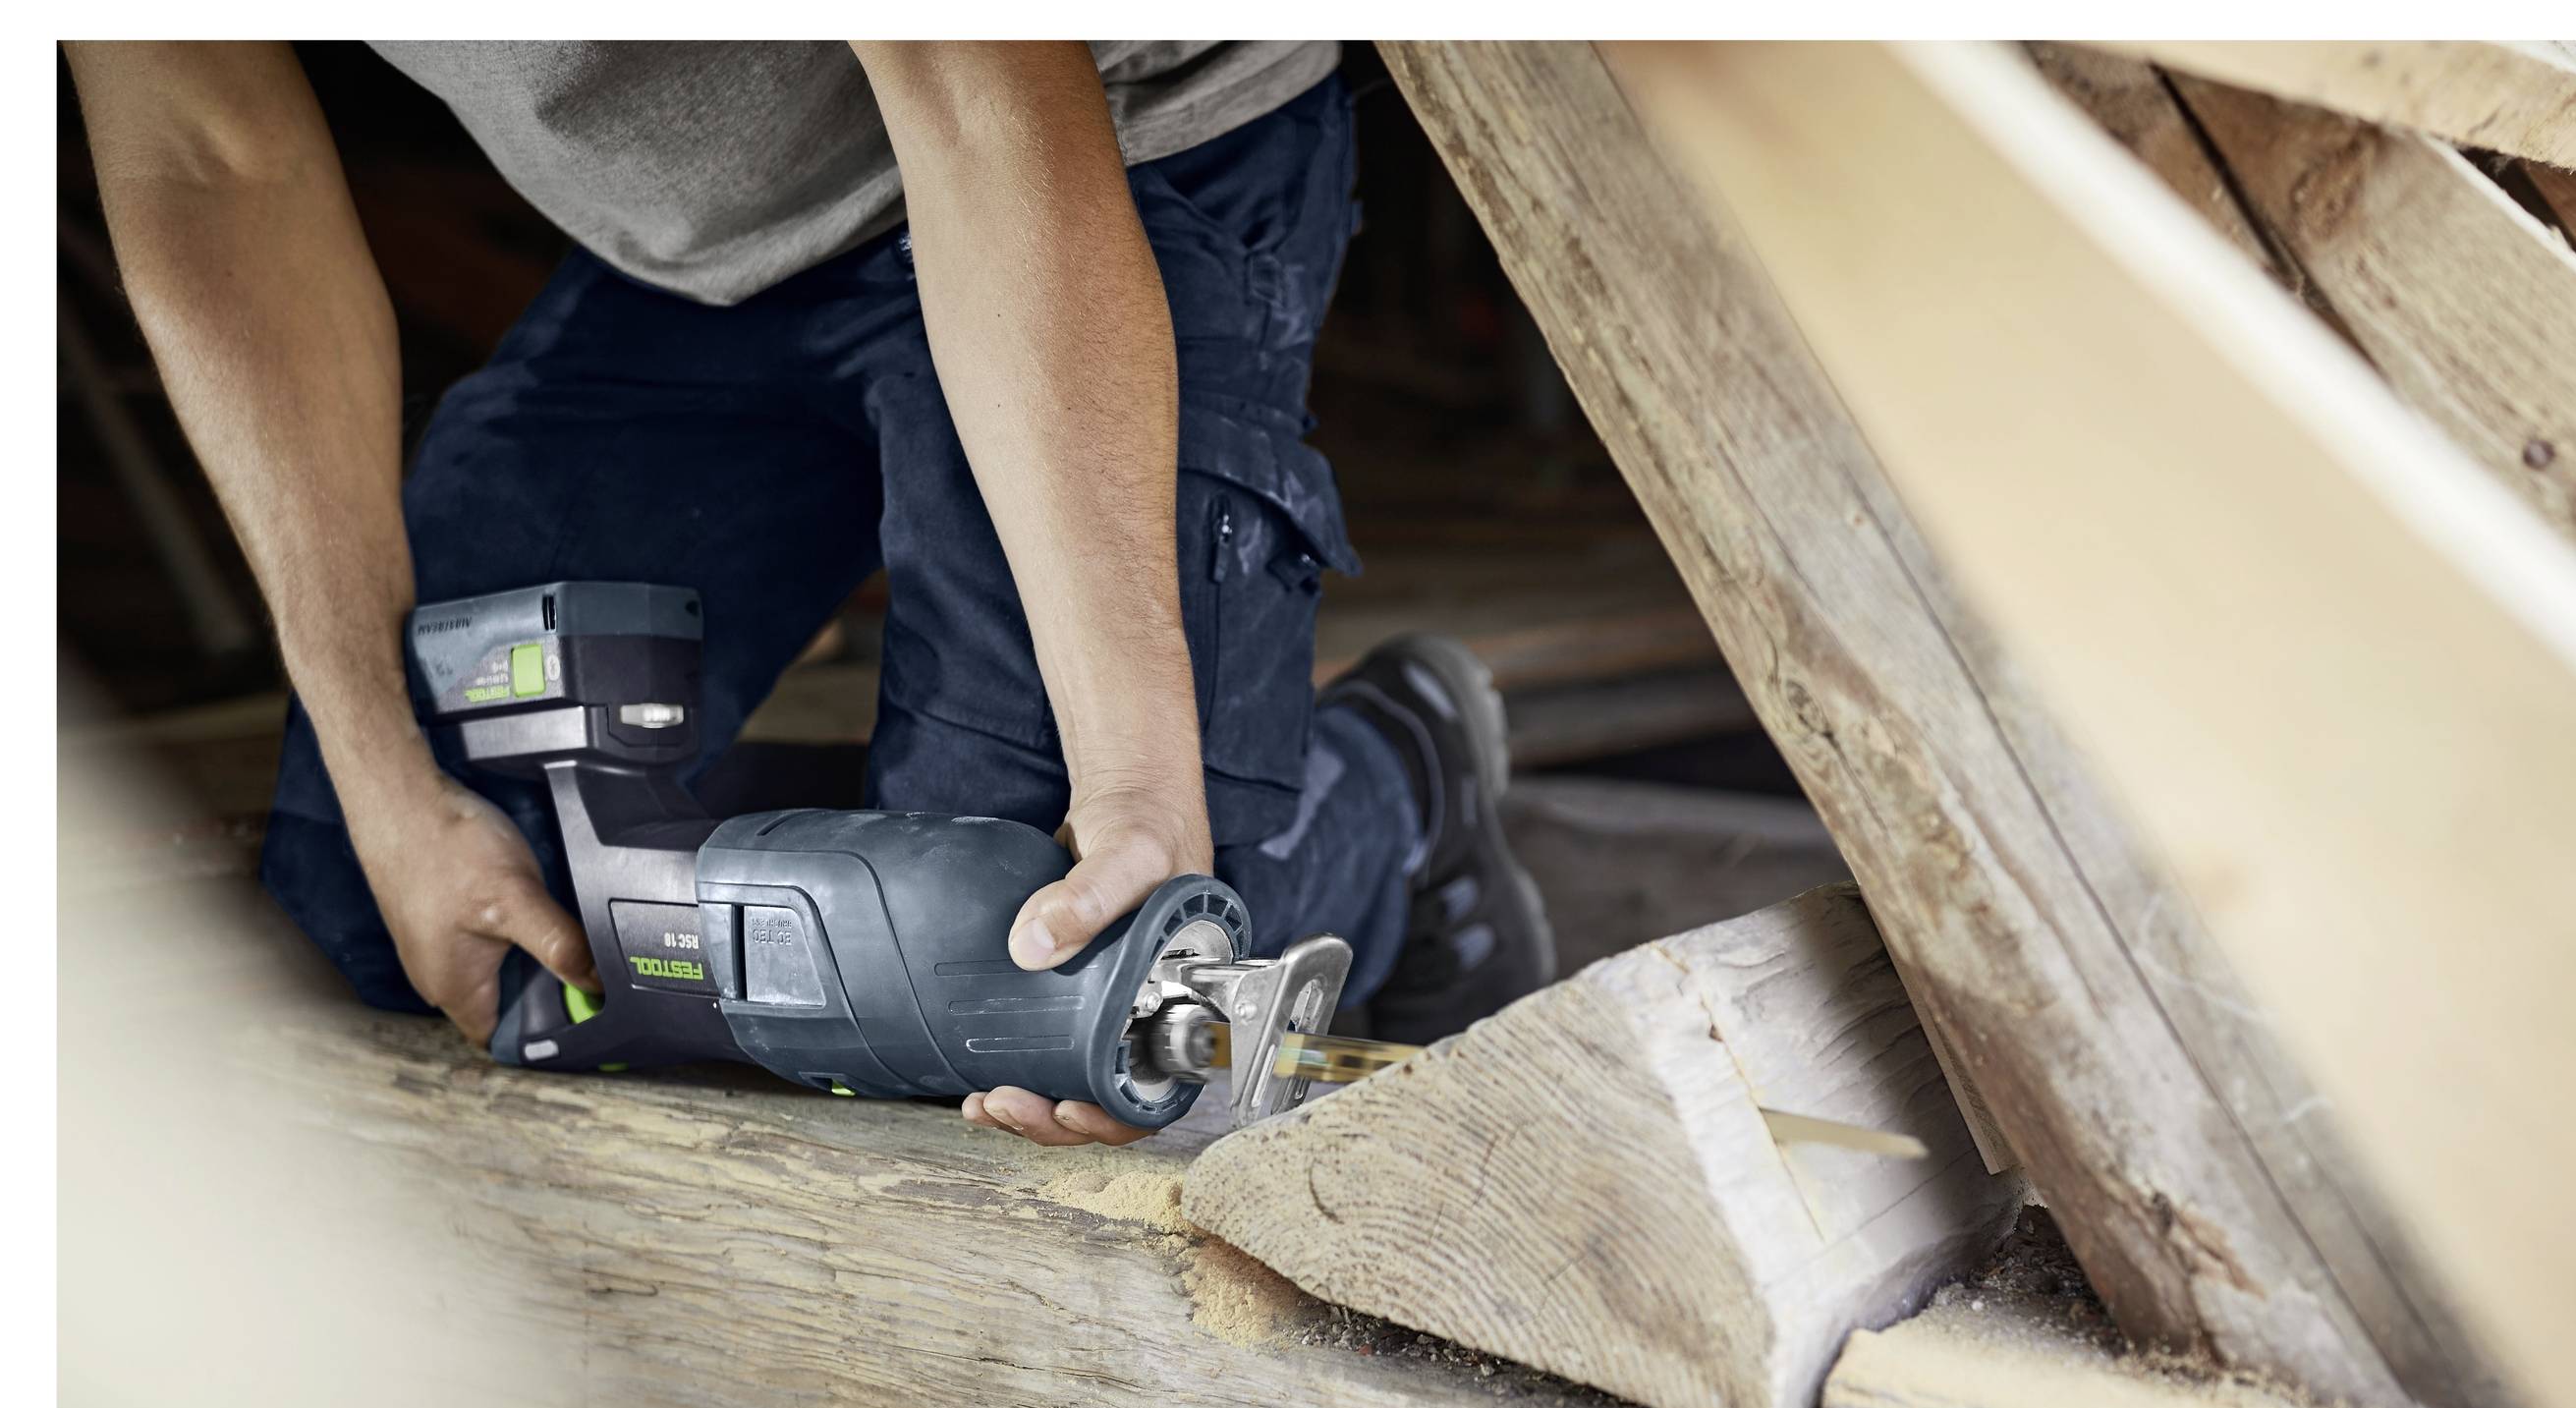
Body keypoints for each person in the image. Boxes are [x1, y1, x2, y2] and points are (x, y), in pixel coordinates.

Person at [69, 38, 1554, 1147]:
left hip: (1111, 140)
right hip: (700, 257)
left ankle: (1393, 781)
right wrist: (384, 778)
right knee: (384, 908)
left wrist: (1142, 790)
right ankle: (871, 876)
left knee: (1058, 983)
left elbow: (976, 92)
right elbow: (212, 163)